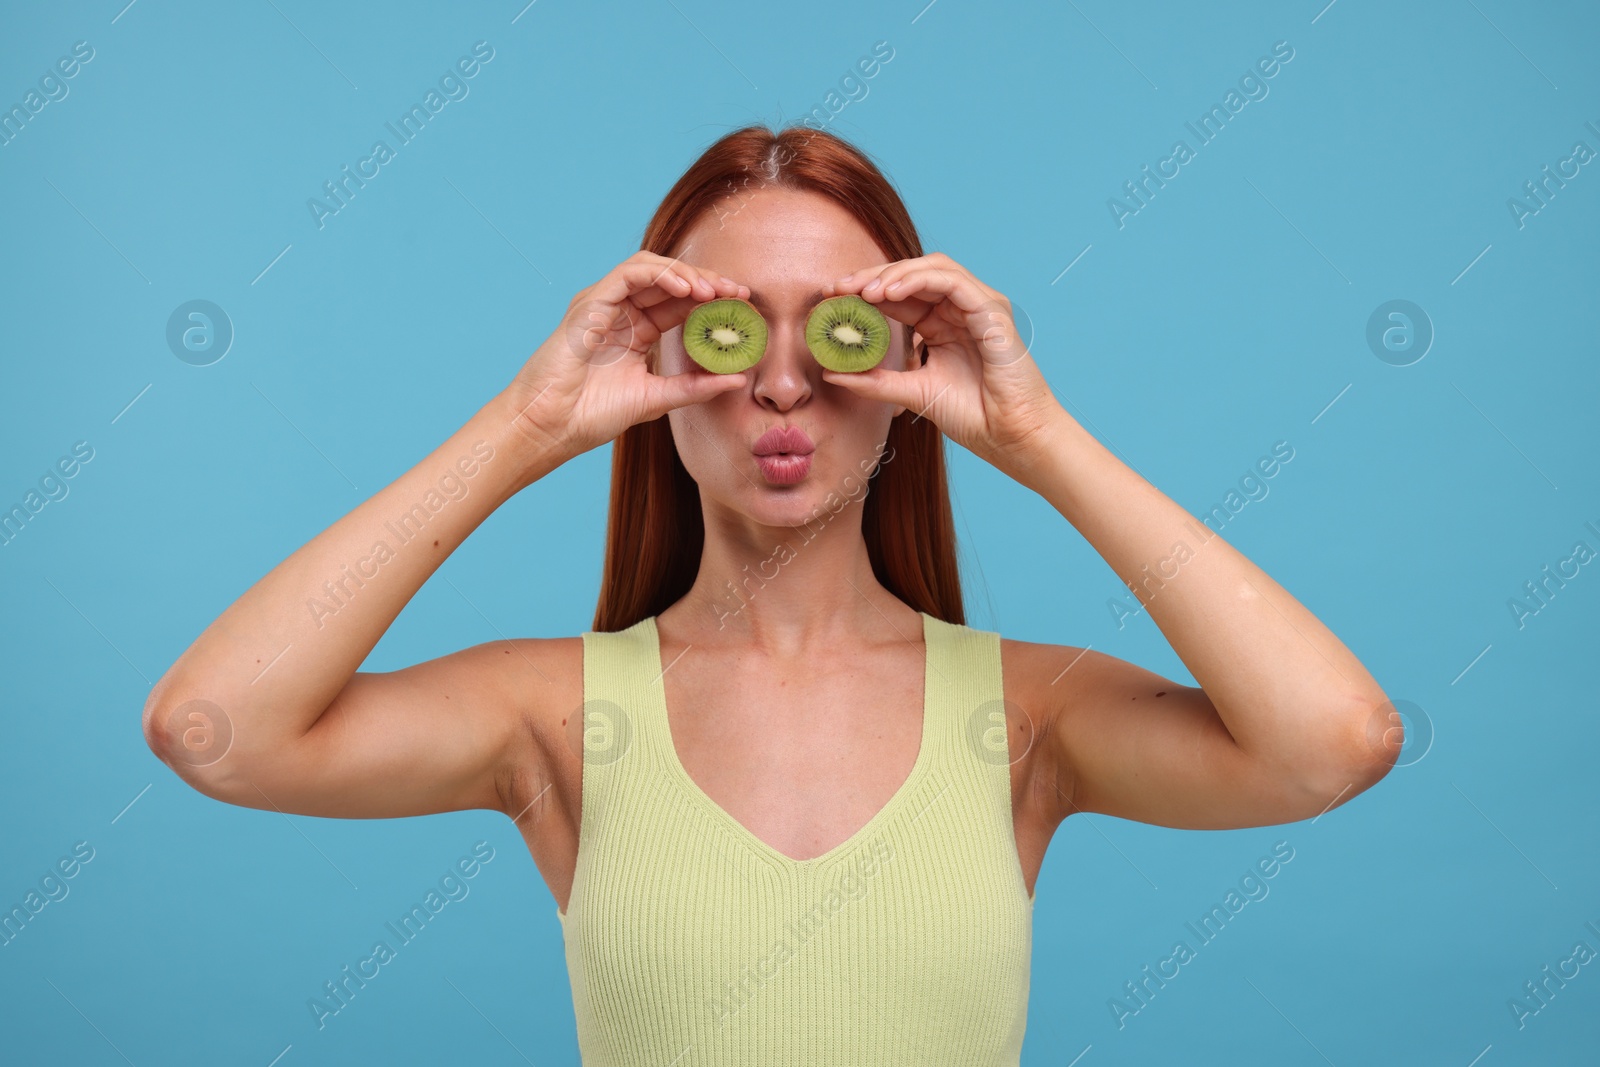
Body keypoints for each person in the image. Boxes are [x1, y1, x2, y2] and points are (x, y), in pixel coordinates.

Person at [143, 124, 1400, 1064]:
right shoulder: (553, 712)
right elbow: (215, 728)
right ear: (659, 357)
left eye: (840, 330)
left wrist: (1038, 435)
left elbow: (1334, 743)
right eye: (737, 330)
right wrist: (524, 428)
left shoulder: (1024, 715)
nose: (786, 385)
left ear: (912, 359)